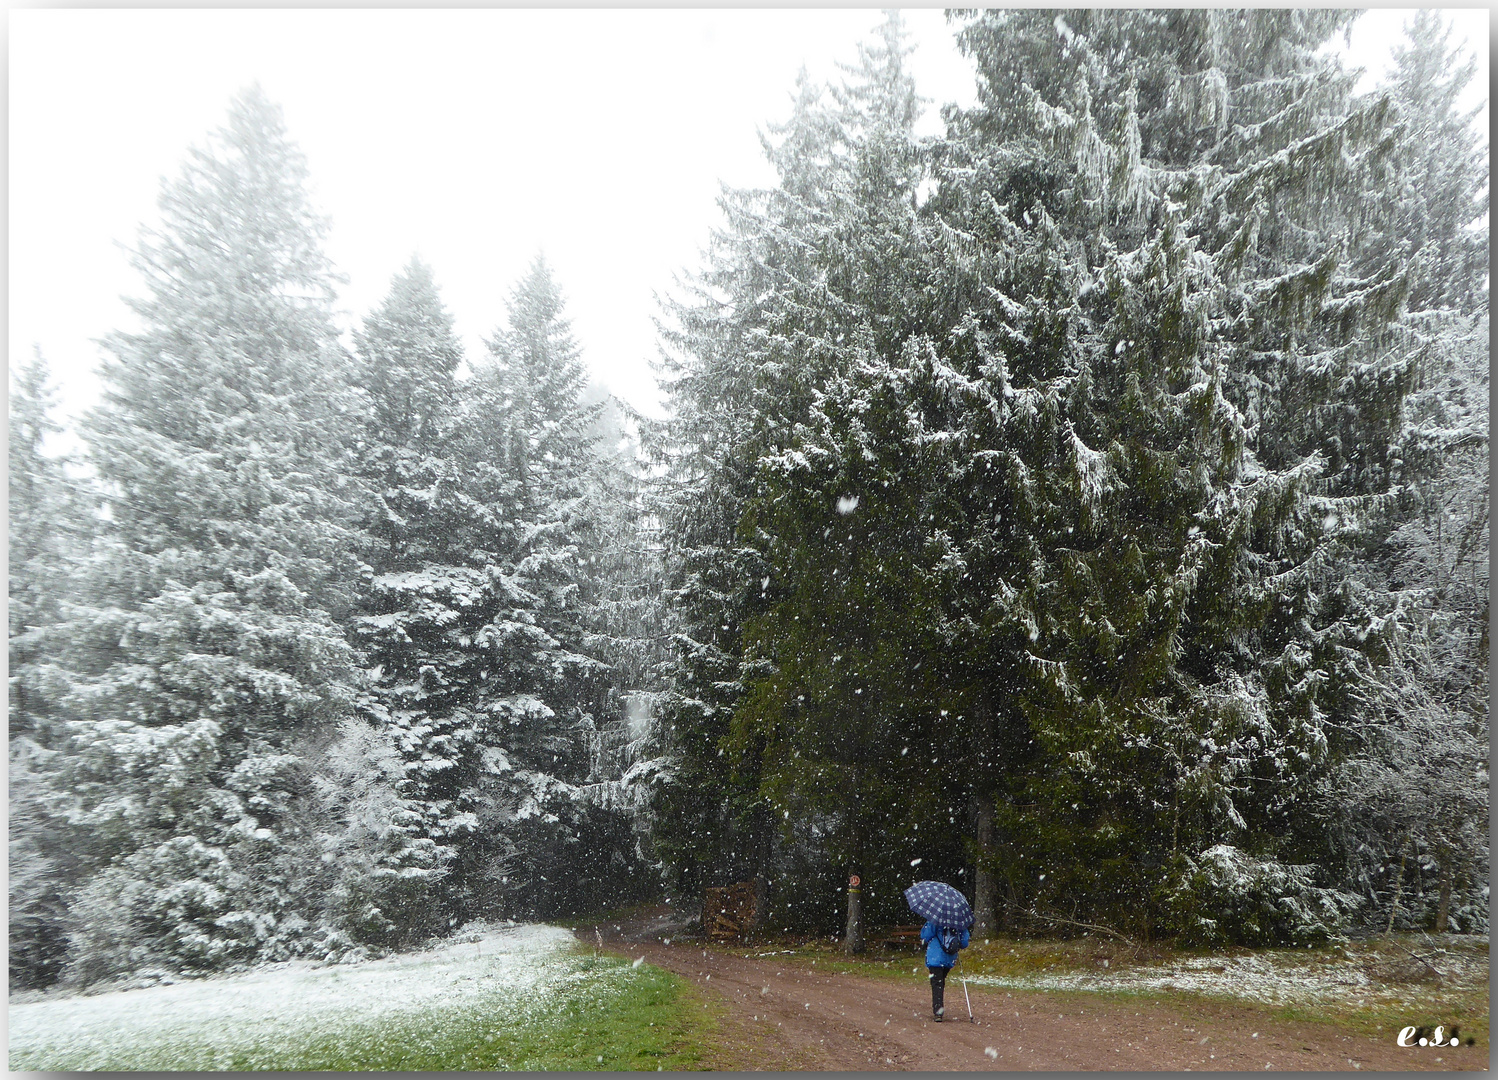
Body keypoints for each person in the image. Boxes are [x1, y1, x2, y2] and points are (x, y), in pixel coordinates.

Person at [920, 919, 969, 1022]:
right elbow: (964, 942)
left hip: (935, 957)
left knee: (937, 983)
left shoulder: (935, 919)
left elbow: (925, 936)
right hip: (949, 958)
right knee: (940, 981)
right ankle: (938, 1007)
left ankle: (938, 1011)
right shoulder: (959, 921)